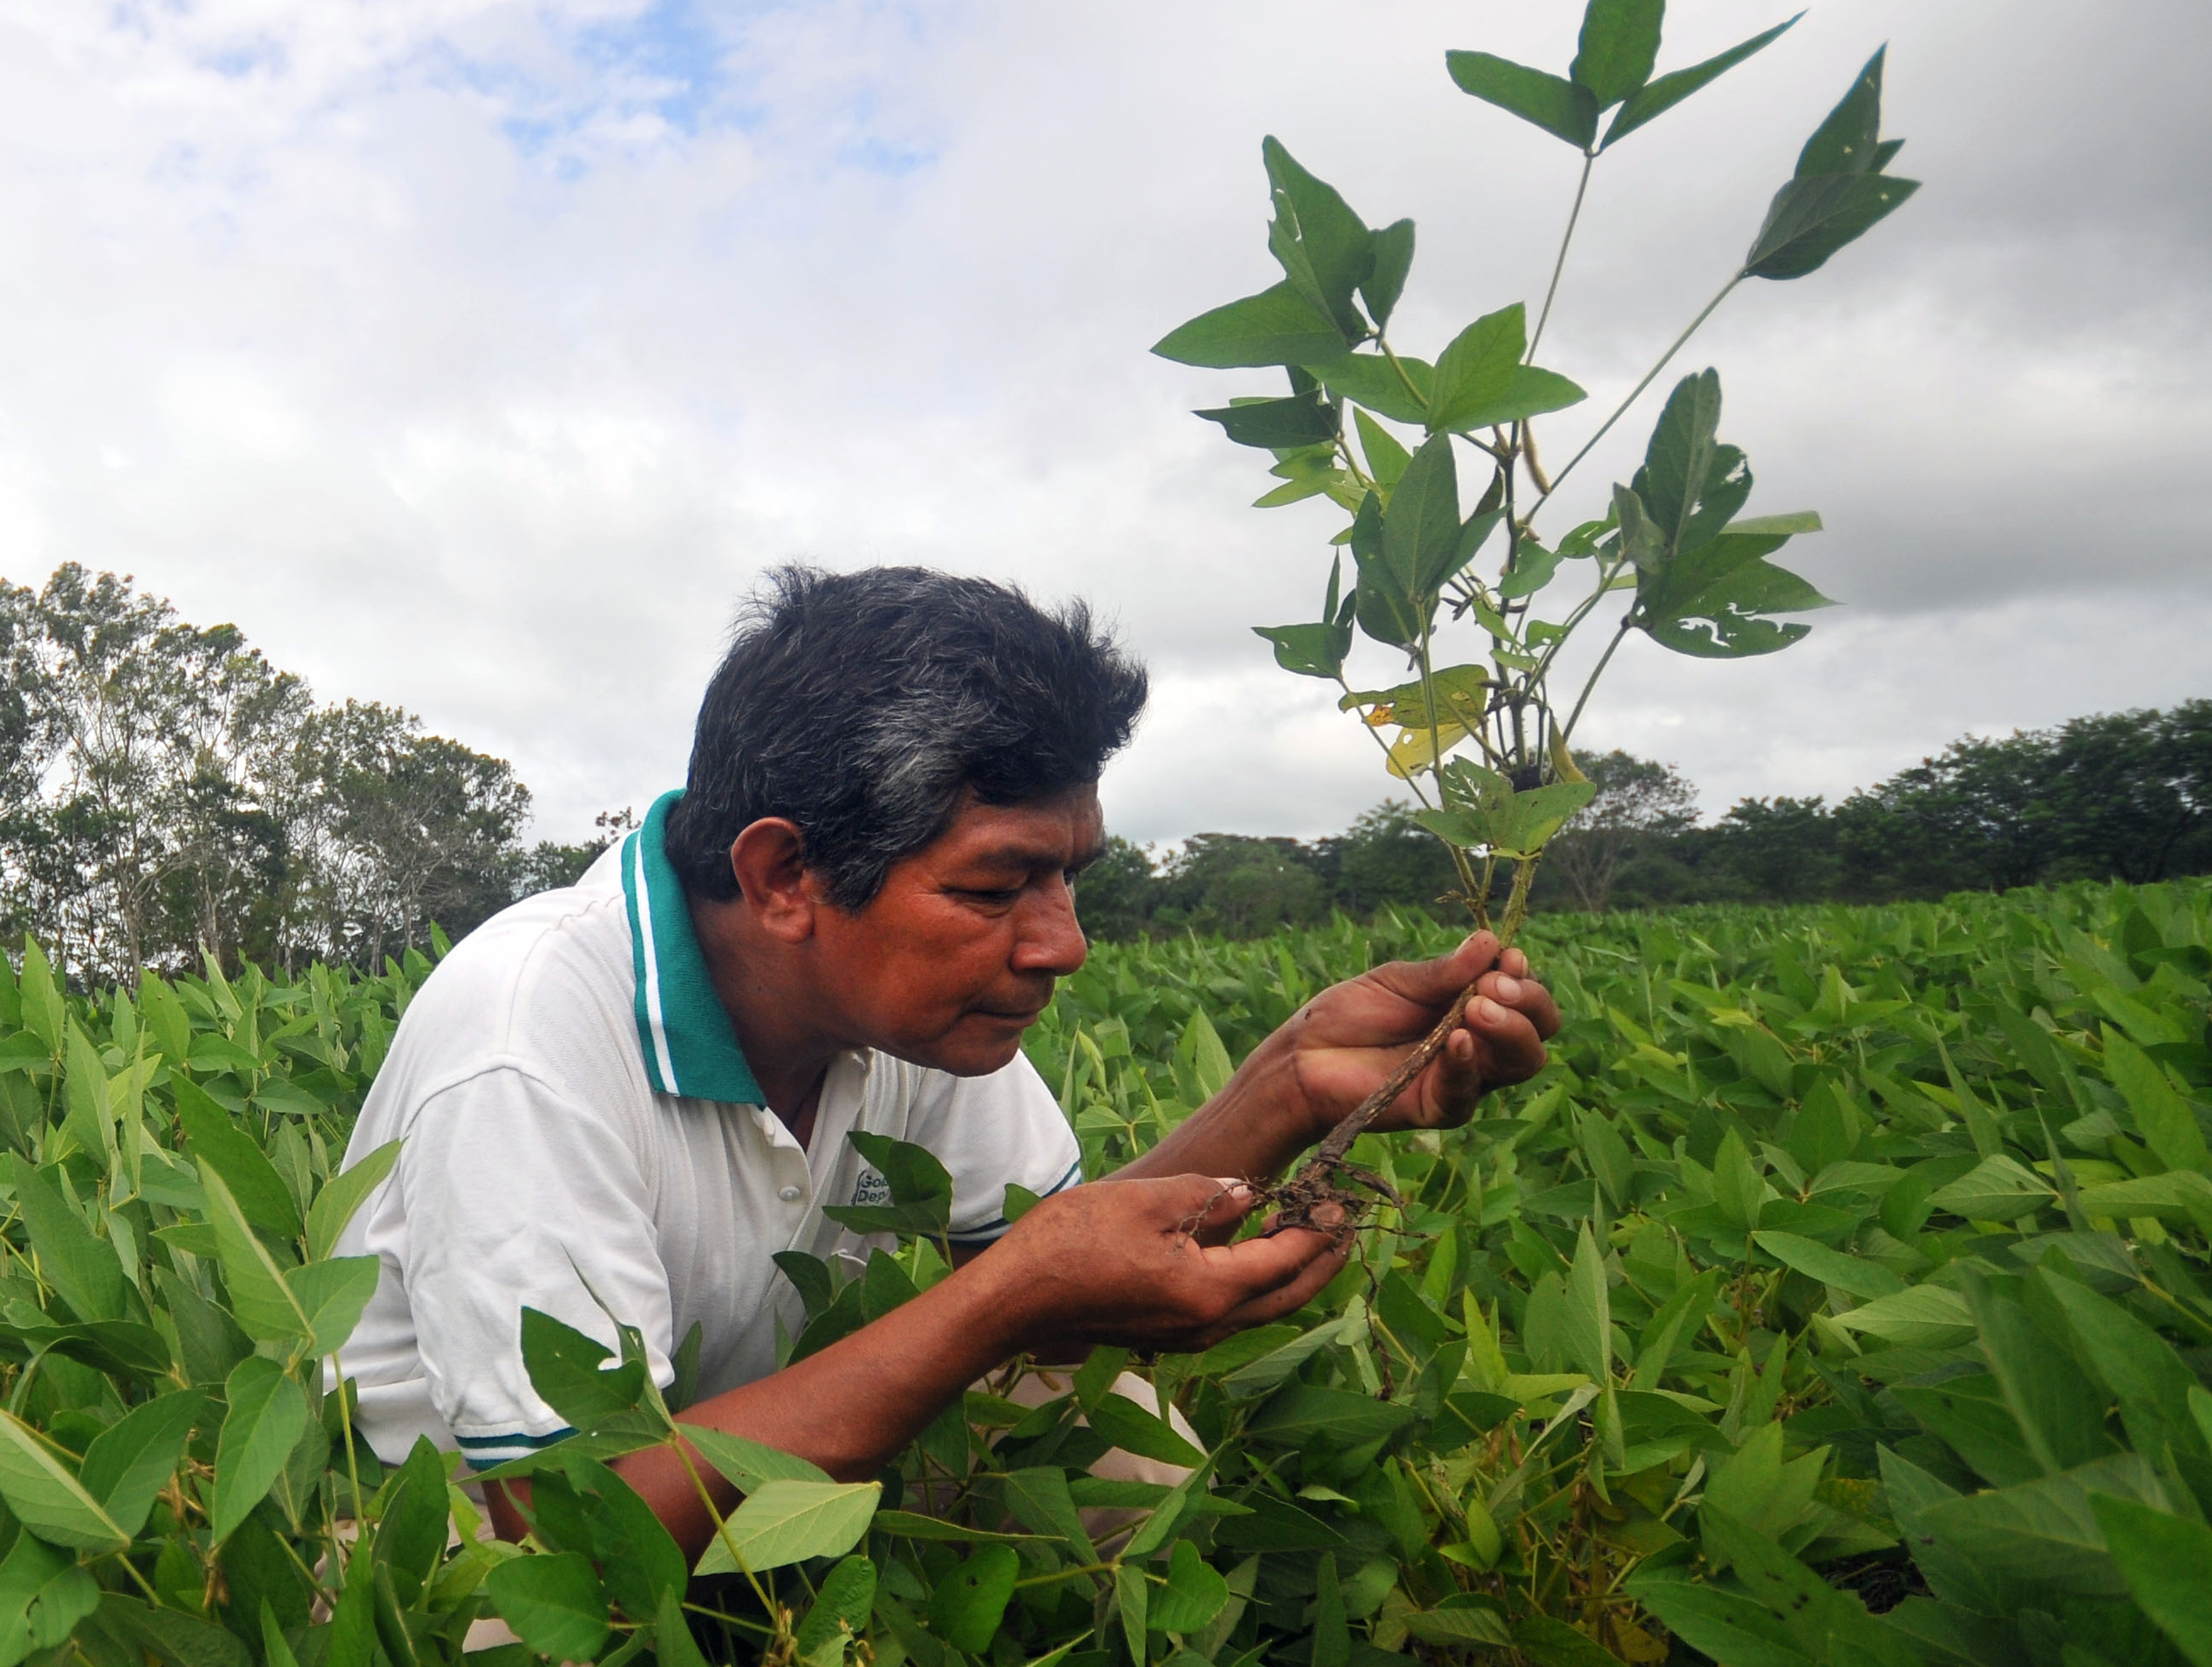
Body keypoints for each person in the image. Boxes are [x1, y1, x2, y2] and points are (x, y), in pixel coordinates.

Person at [328, 564, 1560, 1556]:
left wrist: (1289, 1082)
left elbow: (1059, 1254)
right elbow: (574, 1520)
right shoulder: (526, 1039)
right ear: (784, 877)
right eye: (993, 885)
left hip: (760, 1481)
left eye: (1070, 873)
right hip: (477, 1550)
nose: (1062, 945)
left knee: (1111, 1447)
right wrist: (1004, 1298)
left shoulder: (899, 1007)